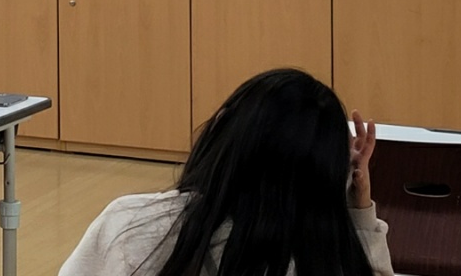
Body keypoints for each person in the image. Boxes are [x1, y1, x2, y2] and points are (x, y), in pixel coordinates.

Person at [58, 69, 393, 276]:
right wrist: (360, 211)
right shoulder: (327, 259)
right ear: (329, 176)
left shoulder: (130, 223)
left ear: (223, 129)